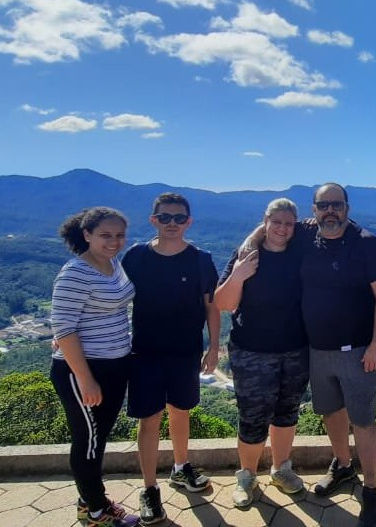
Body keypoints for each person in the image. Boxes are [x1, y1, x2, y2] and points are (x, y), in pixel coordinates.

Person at [120, 193, 220, 525]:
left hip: (186, 351)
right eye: (165, 217)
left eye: (179, 218)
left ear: (189, 222)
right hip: (145, 352)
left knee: (181, 411)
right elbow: (113, 296)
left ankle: (180, 468)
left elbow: (211, 306)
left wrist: (214, 347)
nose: (172, 223)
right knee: (149, 419)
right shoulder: (136, 257)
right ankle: (149, 489)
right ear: (154, 220)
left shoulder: (201, 260)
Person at [303, 184, 376, 527]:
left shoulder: (367, 243)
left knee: (364, 421)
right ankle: (342, 465)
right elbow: (270, 225)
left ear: (347, 208)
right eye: (323, 205)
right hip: (317, 349)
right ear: (314, 210)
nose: (330, 211)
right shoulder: (306, 238)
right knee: (330, 412)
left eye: (336, 205)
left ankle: (371, 489)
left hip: (358, 351)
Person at [214, 198, 310, 509]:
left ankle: (281, 470)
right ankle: (246, 477)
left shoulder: (300, 249)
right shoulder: (247, 256)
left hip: (295, 349)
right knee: (253, 417)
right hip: (252, 351)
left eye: (288, 223)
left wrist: (255, 233)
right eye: (276, 222)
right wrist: (239, 274)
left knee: (287, 412)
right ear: (265, 222)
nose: (282, 228)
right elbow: (224, 303)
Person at [49, 207, 140, 527]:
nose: (114, 241)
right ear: (86, 235)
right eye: (105, 235)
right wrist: (85, 379)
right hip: (84, 371)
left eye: (119, 235)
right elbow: (64, 328)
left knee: (98, 438)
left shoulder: (113, 264)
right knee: (87, 441)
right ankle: (96, 512)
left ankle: (90, 501)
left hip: (115, 366)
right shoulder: (75, 273)